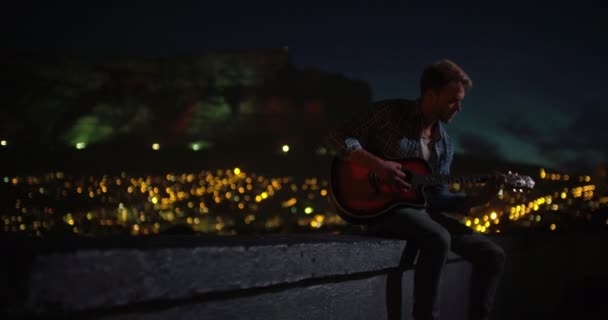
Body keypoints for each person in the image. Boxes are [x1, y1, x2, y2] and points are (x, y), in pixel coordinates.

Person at [327, 59, 506, 320]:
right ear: (431, 95)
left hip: (420, 213)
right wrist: (378, 165)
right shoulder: (390, 113)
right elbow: (337, 136)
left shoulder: (445, 144)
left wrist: (478, 199)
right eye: (452, 100)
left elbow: (438, 197)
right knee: (438, 238)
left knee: (493, 255)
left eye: (461, 101)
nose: (459, 108)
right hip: (381, 209)